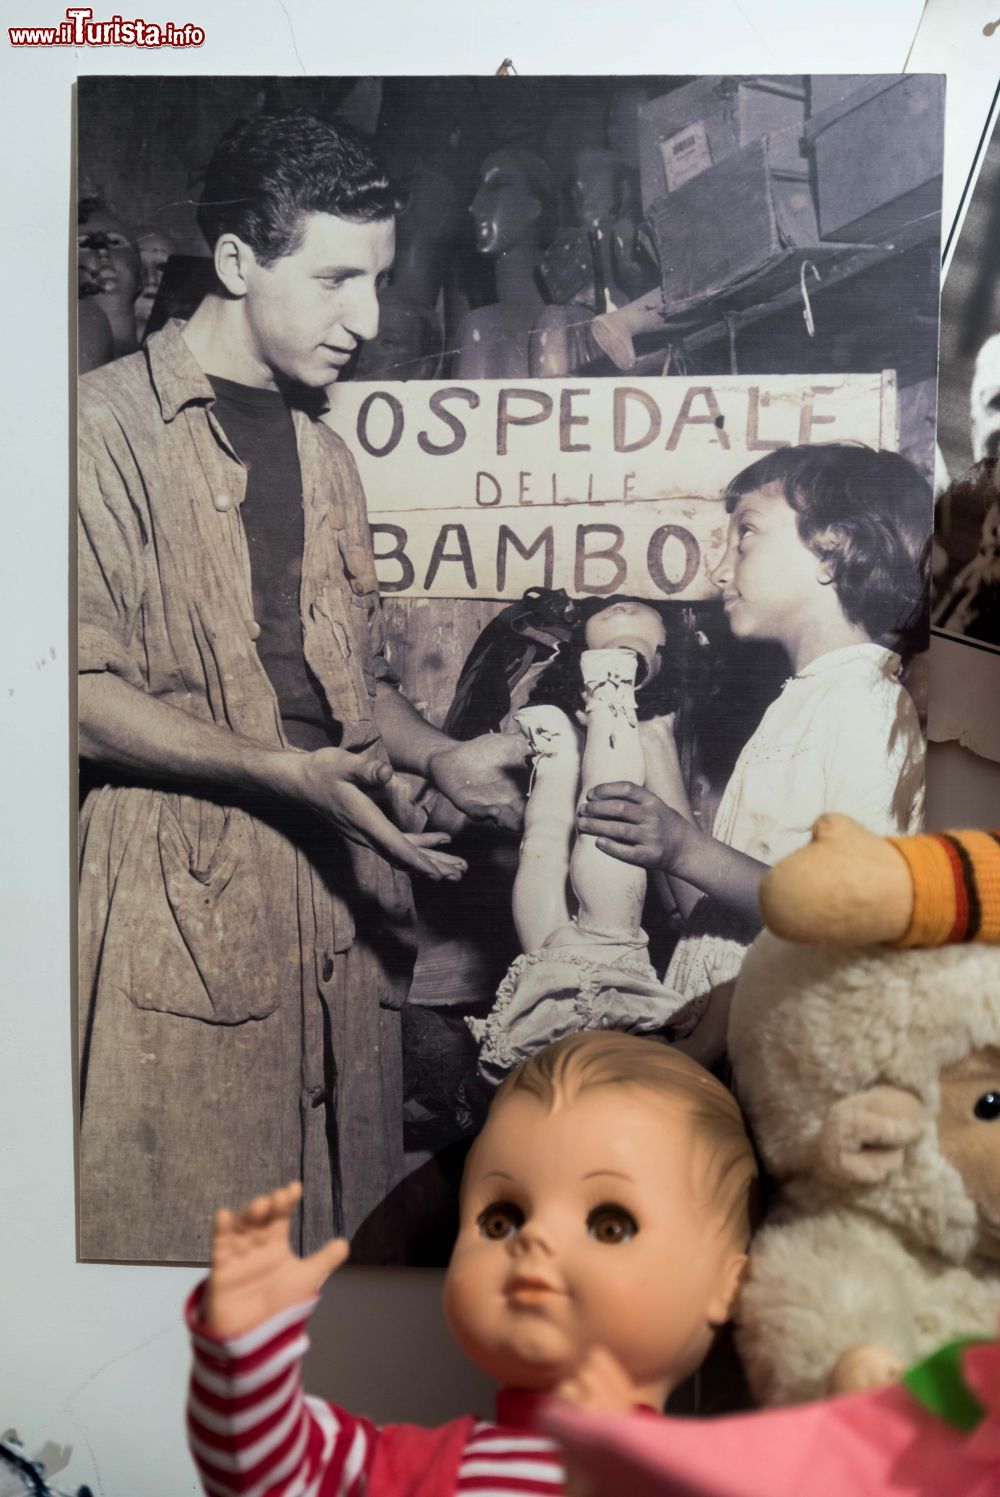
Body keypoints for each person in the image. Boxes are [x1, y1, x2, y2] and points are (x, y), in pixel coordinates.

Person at [77, 112, 527, 1265]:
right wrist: (274, 770)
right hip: (175, 889)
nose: (367, 321)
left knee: (332, 1264)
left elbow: (353, 684)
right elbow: (71, 694)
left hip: (341, 894)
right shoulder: (95, 431)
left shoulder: (324, 453)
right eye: (334, 279)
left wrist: (439, 757)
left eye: (375, 281)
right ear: (237, 263)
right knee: (184, 1253)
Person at [185, 1030, 758, 1496]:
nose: (533, 1241)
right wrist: (245, 1349)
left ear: (730, 1287)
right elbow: (269, 1474)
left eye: (609, 1225)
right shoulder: (409, 1467)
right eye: (501, 1220)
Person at [579, 444, 929, 1044]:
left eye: (744, 536)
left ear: (832, 550)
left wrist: (685, 849)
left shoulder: (867, 703)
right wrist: (656, 756)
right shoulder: (802, 700)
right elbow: (712, 922)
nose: (719, 570)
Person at [468, 601, 692, 1082]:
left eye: (640, 625)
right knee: (575, 837)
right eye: (609, 624)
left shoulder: (661, 731)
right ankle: (569, 741)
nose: (625, 610)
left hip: (550, 986)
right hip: (592, 988)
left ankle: (560, 751)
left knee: (571, 839)